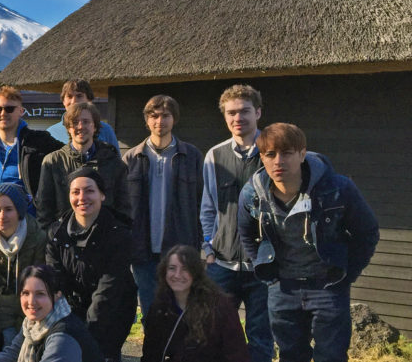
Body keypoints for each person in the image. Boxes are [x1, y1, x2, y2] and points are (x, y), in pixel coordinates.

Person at [239, 123, 379, 362]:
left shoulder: (337, 188)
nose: (278, 161)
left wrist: (348, 274)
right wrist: (269, 278)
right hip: (282, 288)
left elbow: (367, 233)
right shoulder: (252, 193)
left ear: (302, 154)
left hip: (327, 286)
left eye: (287, 153)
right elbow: (245, 235)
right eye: (270, 155)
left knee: (331, 356)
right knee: (291, 355)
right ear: (261, 157)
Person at [199, 84, 274, 362]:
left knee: (261, 338)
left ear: (258, 112)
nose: (237, 118)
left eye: (244, 111)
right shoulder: (215, 156)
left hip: (264, 267)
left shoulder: (273, 153)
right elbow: (208, 207)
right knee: (215, 335)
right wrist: (208, 246)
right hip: (222, 265)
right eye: (231, 113)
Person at [121, 95, 202, 320]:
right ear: (146, 120)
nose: (159, 121)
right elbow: (123, 208)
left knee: (182, 313)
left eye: (165, 116)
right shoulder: (131, 158)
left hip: (180, 249)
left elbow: (200, 203)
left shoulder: (192, 156)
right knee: (151, 314)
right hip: (142, 251)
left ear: (174, 119)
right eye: (154, 116)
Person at [45, 169, 136, 362]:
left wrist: (86, 334)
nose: (82, 197)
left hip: (112, 316)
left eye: (89, 191)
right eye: (75, 192)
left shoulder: (119, 234)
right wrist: (71, 326)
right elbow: (56, 281)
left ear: (102, 195)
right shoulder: (56, 233)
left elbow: (109, 289)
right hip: (71, 315)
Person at [0, 183, 47, 352]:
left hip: (30, 305)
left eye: (8, 209)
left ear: (19, 211)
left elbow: (39, 282)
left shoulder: (37, 236)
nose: (2, 215)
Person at [140, 245, 250, 362]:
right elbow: (150, 354)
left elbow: (237, 354)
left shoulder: (219, 307)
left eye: (185, 269)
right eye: (172, 268)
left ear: (195, 272)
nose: (177, 275)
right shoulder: (159, 307)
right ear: (164, 271)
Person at [35, 102, 128, 231]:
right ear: (68, 127)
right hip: (64, 238)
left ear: (95, 126)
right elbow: (44, 208)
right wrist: (50, 238)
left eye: (86, 121)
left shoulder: (113, 163)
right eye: (75, 122)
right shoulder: (52, 162)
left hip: (104, 237)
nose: (80, 126)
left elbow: (123, 207)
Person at [0, 265, 103, 362]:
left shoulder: (63, 336)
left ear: (57, 295)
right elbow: (13, 353)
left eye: (40, 294)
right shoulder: (32, 322)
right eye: (25, 293)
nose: (31, 301)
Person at [45, 79, 119, 154]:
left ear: (89, 100)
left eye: (79, 96)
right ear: (63, 101)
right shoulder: (51, 132)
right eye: (69, 96)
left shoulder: (106, 130)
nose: (74, 101)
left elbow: (116, 163)